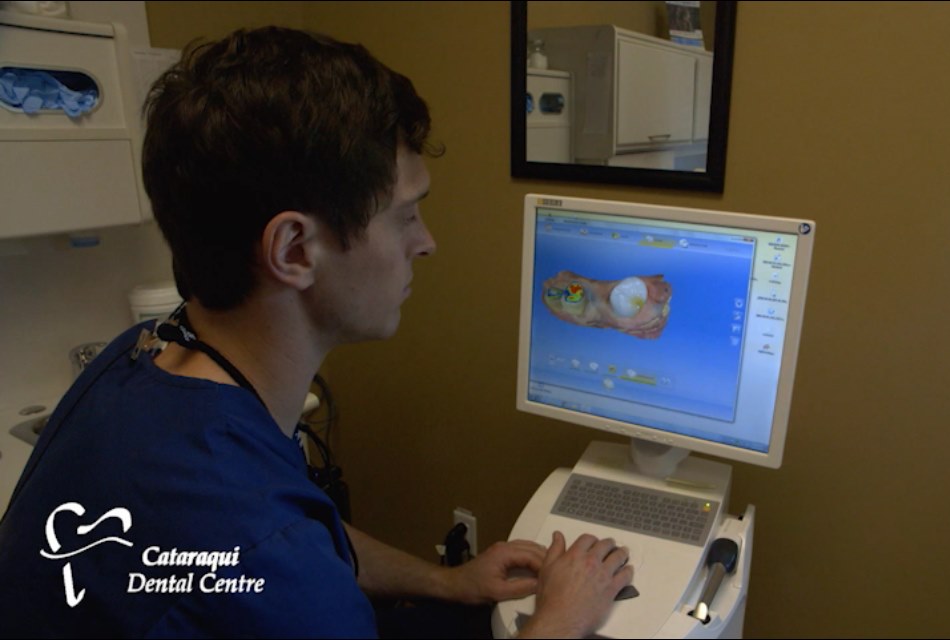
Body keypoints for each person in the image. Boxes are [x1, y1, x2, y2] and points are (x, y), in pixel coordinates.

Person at [0, 26, 631, 638]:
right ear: (295, 248)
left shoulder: (137, 358)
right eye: (405, 216)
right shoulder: (278, 575)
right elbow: (273, 555)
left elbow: (297, 527)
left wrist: (447, 580)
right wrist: (561, 620)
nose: (426, 242)